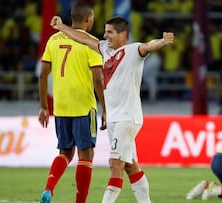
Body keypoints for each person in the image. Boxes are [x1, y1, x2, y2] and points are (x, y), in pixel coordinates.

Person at [50, 15, 174, 203]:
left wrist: (163, 42)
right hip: (115, 118)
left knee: (115, 164)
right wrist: (61, 27)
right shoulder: (105, 49)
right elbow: (82, 38)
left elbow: (149, 45)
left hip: (127, 117)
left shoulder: (133, 50)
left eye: (109, 32)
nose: (105, 35)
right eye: (105, 31)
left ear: (123, 34)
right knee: (131, 166)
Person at [38, 2, 105, 203]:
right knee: (86, 155)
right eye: (92, 19)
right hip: (84, 105)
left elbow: (42, 75)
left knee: (65, 152)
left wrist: (43, 106)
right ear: (88, 19)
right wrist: (105, 108)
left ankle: (49, 189)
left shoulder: (53, 40)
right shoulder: (91, 42)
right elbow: (98, 79)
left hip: (61, 106)